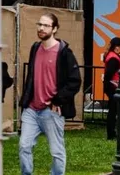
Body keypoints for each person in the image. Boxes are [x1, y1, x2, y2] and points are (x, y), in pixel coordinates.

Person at [18, 13, 82, 175]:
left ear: (54, 29)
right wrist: (26, 100)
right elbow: (32, 77)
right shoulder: (35, 48)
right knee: (24, 146)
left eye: (46, 25)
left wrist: (58, 100)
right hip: (31, 109)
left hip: (51, 111)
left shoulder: (64, 53)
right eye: (39, 24)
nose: (41, 28)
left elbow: (75, 81)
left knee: (56, 152)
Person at [102, 37, 120, 140]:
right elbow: (109, 74)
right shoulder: (114, 59)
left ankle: (112, 133)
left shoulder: (112, 56)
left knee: (114, 110)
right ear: (117, 47)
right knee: (113, 111)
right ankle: (111, 134)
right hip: (113, 87)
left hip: (112, 87)